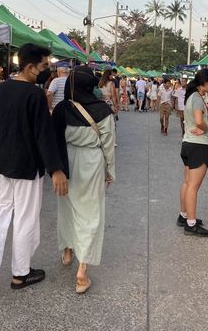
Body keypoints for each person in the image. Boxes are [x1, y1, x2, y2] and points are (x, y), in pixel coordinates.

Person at [0, 43, 68, 298]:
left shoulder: (2, 89)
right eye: (45, 66)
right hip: (25, 165)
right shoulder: (34, 94)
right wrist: (56, 169)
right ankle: (20, 273)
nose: (48, 70)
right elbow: (43, 135)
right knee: (25, 218)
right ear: (31, 67)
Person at [52, 66, 115, 294]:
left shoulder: (61, 109)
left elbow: (54, 139)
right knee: (91, 213)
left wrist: (55, 169)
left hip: (66, 161)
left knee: (67, 208)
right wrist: (110, 171)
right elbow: (108, 145)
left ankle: (68, 251)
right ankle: (82, 271)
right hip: (93, 161)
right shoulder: (104, 111)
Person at [177, 69, 208, 237]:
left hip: (187, 144)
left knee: (187, 183)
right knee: (193, 186)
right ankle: (191, 224)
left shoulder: (191, 96)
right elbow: (200, 122)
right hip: (197, 145)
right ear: (204, 82)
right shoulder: (197, 98)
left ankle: (184, 216)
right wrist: (205, 128)